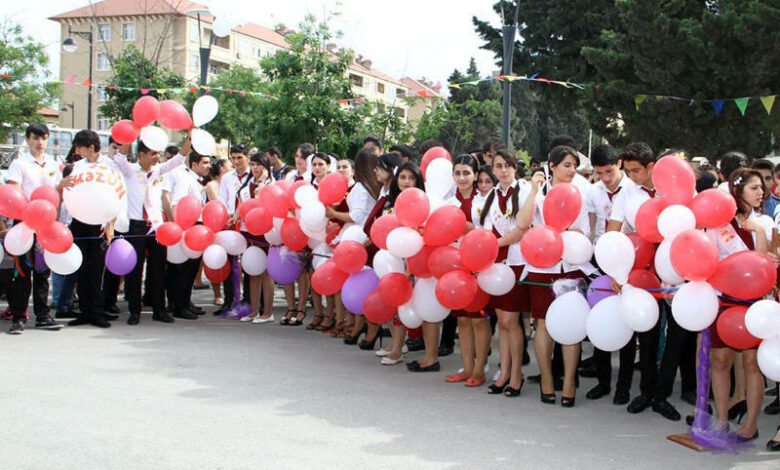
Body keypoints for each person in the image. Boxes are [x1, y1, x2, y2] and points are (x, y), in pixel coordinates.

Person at [607, 142, 679, 418]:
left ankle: (663, 395)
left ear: (651, 166)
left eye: (636, 170)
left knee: (676, 334)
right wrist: (615, 269)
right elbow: (614, 230)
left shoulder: (673, 187)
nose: (632, 176)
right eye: (628, 171)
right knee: (646, 332)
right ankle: (645, 391)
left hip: (674, 265)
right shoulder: (626, 194)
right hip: (640, 265)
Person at [520, 146, 595, 407]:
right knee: (543, 324)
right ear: (551, 166)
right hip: (542, 268)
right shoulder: (539, 195)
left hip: (572, 267)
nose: (572, 170)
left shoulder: (580, 196)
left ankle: (569, 382)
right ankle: (547, 380)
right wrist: (532, 190)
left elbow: (585, 234)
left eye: (574, 165)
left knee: (572, 326)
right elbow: (523, 223)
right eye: (566, 165)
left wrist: (567, 231)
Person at [706, 168, 775, 441]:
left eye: (761, 188)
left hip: (754, 301)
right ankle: (722, 419)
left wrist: (757, 231)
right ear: (738, 191)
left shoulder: (766, 222)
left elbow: (763, 265)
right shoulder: (718, 223)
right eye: (753, 188)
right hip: (723, 298)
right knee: (720, 360)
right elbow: (710, 260)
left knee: (751, 363)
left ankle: (750, 424)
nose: (760, 192)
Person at [474, 149, 533, 396]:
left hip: (516, 262)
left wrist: (494, 244)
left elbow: (522, 228)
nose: (503, 170)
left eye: (507, 165)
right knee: (503, 323)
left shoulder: (526, 190)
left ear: (515, 167)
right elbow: (485, 228)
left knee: (511, 321)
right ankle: (505, 372)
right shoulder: (492, 195)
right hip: (495, 265)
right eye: (498, 166)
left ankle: (516, 374)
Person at [112, 136, 188, 324]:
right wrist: (131, 134)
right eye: (153, 154)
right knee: (135, 271)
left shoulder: (158, 171)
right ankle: (134, 311)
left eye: (158, 154)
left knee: (158, 271)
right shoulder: (130, 171)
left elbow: (180, 158)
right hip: (136, 226)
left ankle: (159, 310)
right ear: (142, 154)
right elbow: (119, 158)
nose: (157, 157)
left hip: (156, 227)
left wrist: (190, 136)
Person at [585, 144, 636, 402]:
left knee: (626, 321)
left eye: (609, 171)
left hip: (629, 260)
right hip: (601, 260)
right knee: (600, 318)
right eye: (599, 173)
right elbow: (592, 226)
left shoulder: (632, 189)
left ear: (619, 163)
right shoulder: (594, 192)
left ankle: (623, 386)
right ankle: (603, 381)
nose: (605, 178)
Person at [5, 123, 65, 333]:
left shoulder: (54, 163)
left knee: (42, 272)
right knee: (21, 273)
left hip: (46, 226)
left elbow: (57, 194)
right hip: (24, 224)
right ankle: (19, 317)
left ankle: (43, 316)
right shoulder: (20, 164)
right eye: (35, 138)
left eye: (44, 138)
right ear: (28, 139)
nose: (40, 143)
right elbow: (14, 193)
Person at [444, 155, 490, 386]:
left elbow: (489, 232)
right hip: (455, 265)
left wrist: (470, 228)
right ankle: (467, 366)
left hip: (479, 266)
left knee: (479, 320)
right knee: (462, 320)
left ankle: (480, 368)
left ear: (475, 174)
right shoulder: (449, 202)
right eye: (458, 173)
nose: (462, 178)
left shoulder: (483, 200)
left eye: (466, 173)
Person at [327, 149, 381, 338]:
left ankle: (354, 323)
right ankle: (357, 323)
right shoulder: (376, 187)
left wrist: (333, 215)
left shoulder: (360, 187)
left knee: (352, 281)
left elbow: (356, 216)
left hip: (357, 236)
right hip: (367, 236)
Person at [66, 130, 118, 329]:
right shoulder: (77, 166)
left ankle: (97, 311)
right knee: (81, 269)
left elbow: (117, 195)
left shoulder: (109, 165)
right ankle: (85, 311)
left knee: (96, 270)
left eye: (79, 147)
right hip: (79, 221)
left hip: (100, 223)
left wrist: (110, 225)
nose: (76, 151)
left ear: (90, 147)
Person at [359, 152, 404, 346]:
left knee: (394, 299)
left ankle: (398, 345)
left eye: (379, 167)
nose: (375, 170)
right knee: (385, 297)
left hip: (394, 253)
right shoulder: (383, 192)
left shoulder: (397, 197)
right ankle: (394, 342)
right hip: (380, 252)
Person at [169, 151, 212, 320]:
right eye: (205, 163)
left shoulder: (197, 181)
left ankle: (185, 302)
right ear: (194, 164)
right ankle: (179, 305)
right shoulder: (185, 180)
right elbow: (176, 203)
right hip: (188, 227)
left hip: (197, 227)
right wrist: (179, 228)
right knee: (184, 270)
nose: (209, 166)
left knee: (191, 269)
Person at [237, 152, 275, 325]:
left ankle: (267, 312)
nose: (255, 168)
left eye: (259, 165)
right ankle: (253, 310)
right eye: (252, 165)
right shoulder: (246, 186)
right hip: (248, 230)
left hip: (265, 231)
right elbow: (241, 206)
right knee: (252, 271)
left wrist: (263, 185)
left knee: (266, 272)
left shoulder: (270, 185)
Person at [205, 158, 232, 307]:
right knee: (216, 260)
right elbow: (219, 205)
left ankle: (232, 295)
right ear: (221, 167)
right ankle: (218, 295)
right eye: (229, 163)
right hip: (216, 225)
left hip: (229, 224)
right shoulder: (211, 185)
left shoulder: (230, 182)